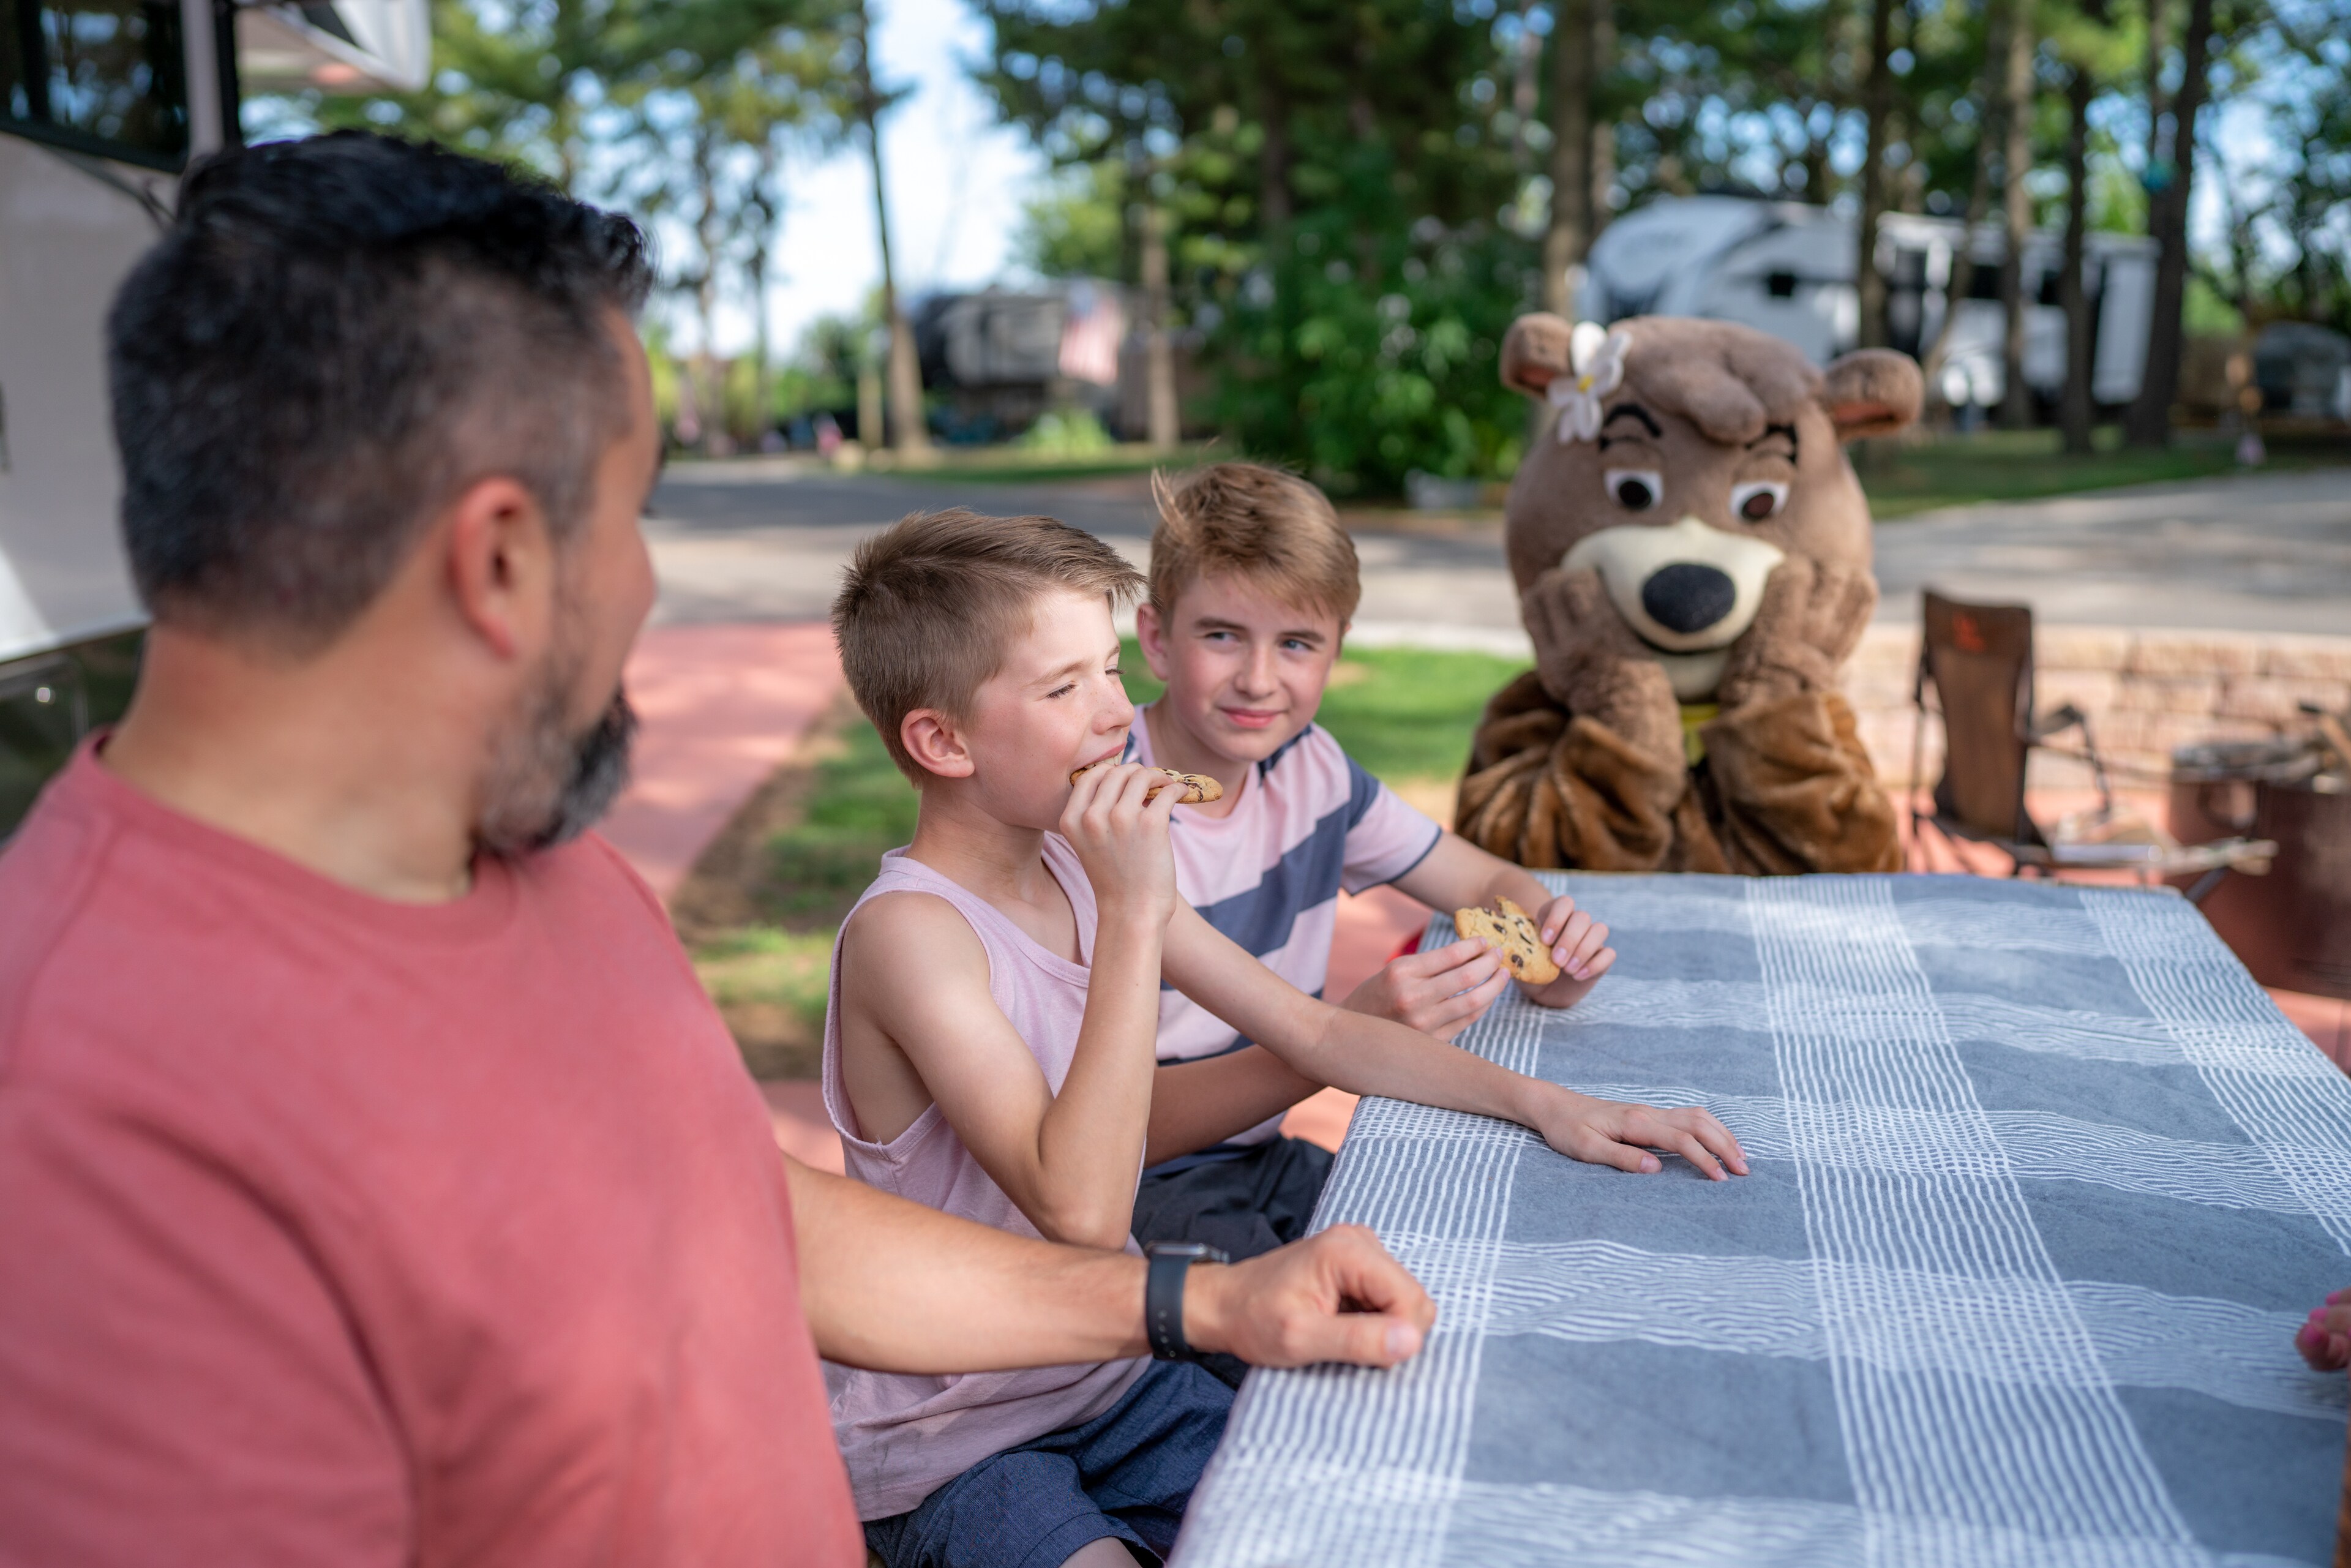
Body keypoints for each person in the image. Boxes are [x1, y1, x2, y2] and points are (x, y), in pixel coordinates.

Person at [0, 132, 1440, 1568]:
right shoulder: (84, 1121)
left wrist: (1198, 1306)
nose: (642, 586)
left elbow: (748, 1217)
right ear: (498, 561)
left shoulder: (544, 871)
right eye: (633, 518)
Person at [822, 509, 1748, 1562]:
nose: (1118, 716)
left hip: (1114, 1368)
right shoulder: (911, 938)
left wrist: (1557, 1108)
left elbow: (1315, 1031)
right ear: (942, 741)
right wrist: (1136, 912)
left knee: (1344, 1505)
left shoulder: (1083, 867)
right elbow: (1079, 1205)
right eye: (1063, 688)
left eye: (1113, 671)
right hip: (956, 1434)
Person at [1123, 462, 1637, 1265]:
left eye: (1296, 643)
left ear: (1335, 651)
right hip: (1139, 1188)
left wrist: (1544, 945)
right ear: (1157, 638)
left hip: (1262, 1157)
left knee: (1477, 1235)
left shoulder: (1311, 769)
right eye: (1222, 634)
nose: (1259, 679)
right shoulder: (1107, 815)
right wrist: (1342, 1036)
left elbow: (1482, 880)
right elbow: (1111, 1129)